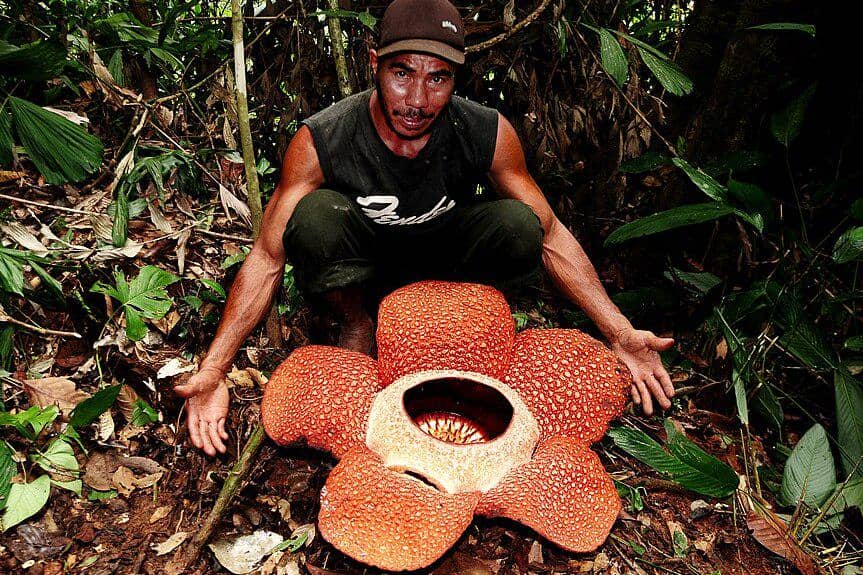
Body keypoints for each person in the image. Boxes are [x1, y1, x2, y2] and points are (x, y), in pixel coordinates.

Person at [175, 0, 675, 456]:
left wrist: (620, 332)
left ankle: (467, 339)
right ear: (374, 63)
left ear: (457, 78)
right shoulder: (324, 138)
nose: (417, 99)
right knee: (314, 217)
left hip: (446, 273)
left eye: (437, 78)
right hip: (364, 271)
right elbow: (266, 258)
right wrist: (215, 368)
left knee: (518, 222)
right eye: (402, 74)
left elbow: (550, 235)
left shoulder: (486, 131)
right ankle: (357, 325)